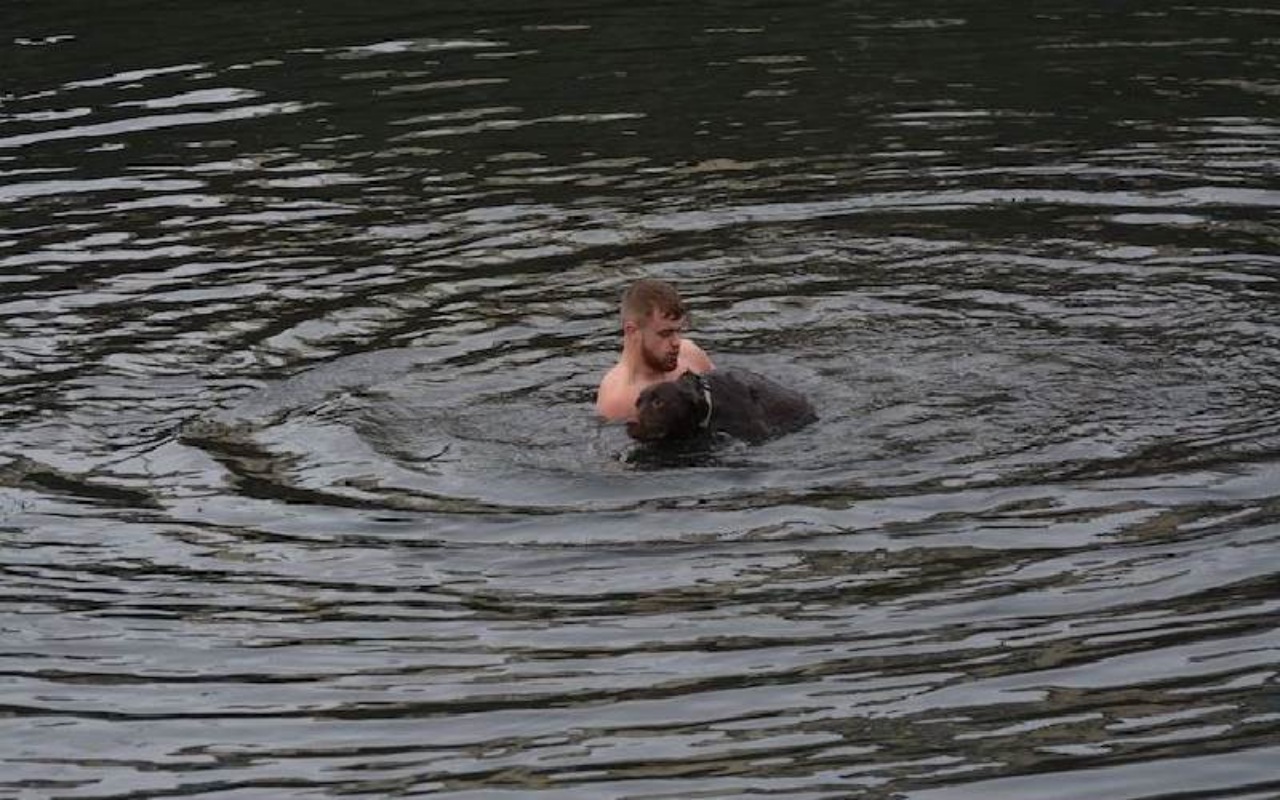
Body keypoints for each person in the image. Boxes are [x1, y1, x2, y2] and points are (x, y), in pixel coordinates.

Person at [595, 278, 715, 422]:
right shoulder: (619, 400)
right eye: (665, 334)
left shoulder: (690, 355)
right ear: (632, 331)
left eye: (678, 331)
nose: (676, 342)